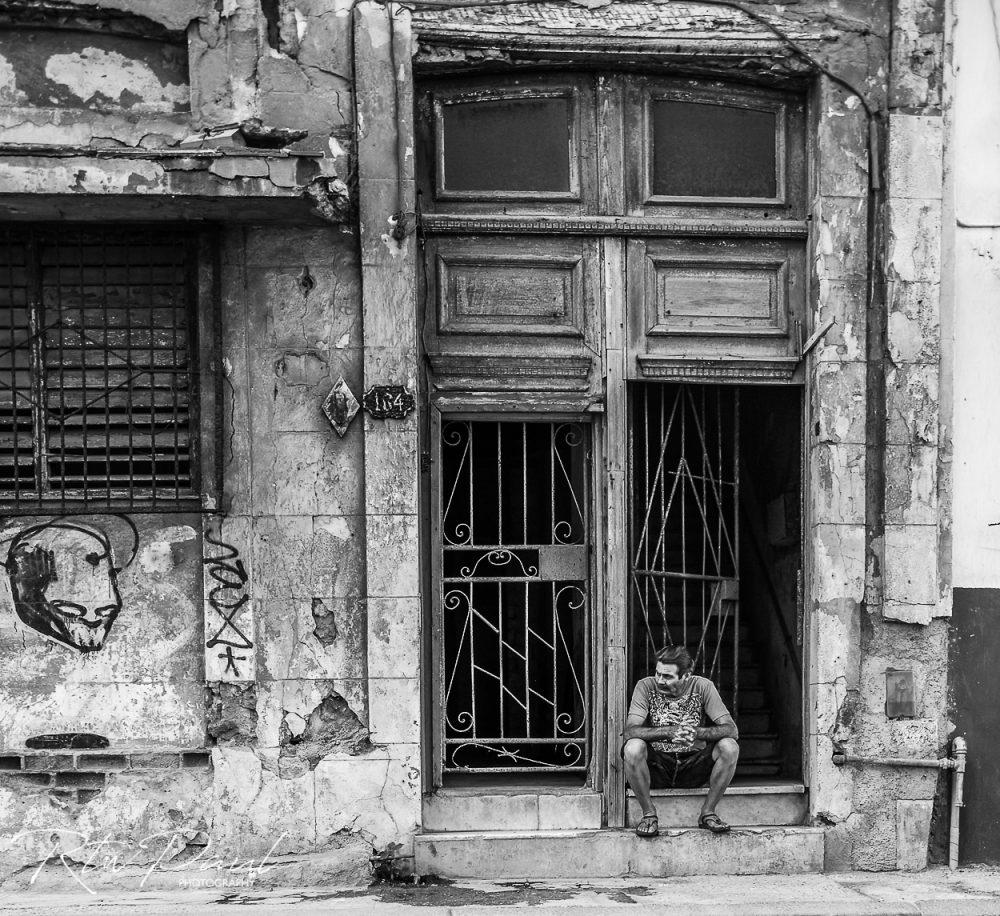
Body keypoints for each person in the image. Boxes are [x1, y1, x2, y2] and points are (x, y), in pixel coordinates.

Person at [623, 644, 739, 837]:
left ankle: (708, 813)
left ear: (686, 676)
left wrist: (695, 732)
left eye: (667, 676)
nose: (660, 680)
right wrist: (669, 731)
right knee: (632, 747)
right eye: (658, 673)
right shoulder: (645, 685)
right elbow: (630, 731)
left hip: (693, 766)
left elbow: (731, 729)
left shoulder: (703, 686)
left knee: (729, 746)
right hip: (658, 767)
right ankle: (649, 815)